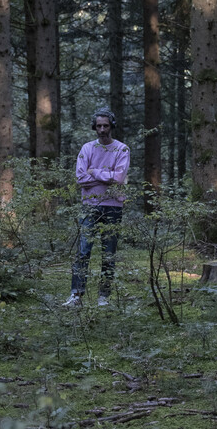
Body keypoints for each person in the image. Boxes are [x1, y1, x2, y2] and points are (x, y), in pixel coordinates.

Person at [63, 108, 130, 307]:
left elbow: (119, 178)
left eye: (105, 125)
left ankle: (104, 297)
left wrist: (94, 172)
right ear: (95, 127)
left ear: (112, 126)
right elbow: (81, 178)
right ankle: (76, 295)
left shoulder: (122, 149)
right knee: (83, 250)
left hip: (113, 206)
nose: (102, 129)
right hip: (89, 206)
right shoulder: (87, 149)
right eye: (99, 126)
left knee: (108, 253)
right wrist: (105, 176)